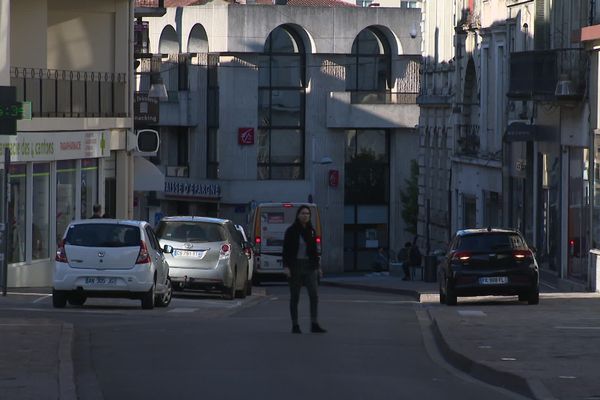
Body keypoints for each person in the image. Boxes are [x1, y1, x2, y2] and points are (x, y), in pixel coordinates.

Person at [282, 205, 326, 334]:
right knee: (295, 296)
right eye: (303, 213)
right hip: (295, 266)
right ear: (298, 215)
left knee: (314, 295)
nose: (305, 215)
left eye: (307, 213)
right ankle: (295, 325)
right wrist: (286, 266)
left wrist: (318, 267)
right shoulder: (291, 231)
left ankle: (314, 323)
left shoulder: (311, 231)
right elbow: (286, 250)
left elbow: (314, 251)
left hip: (310, 266)